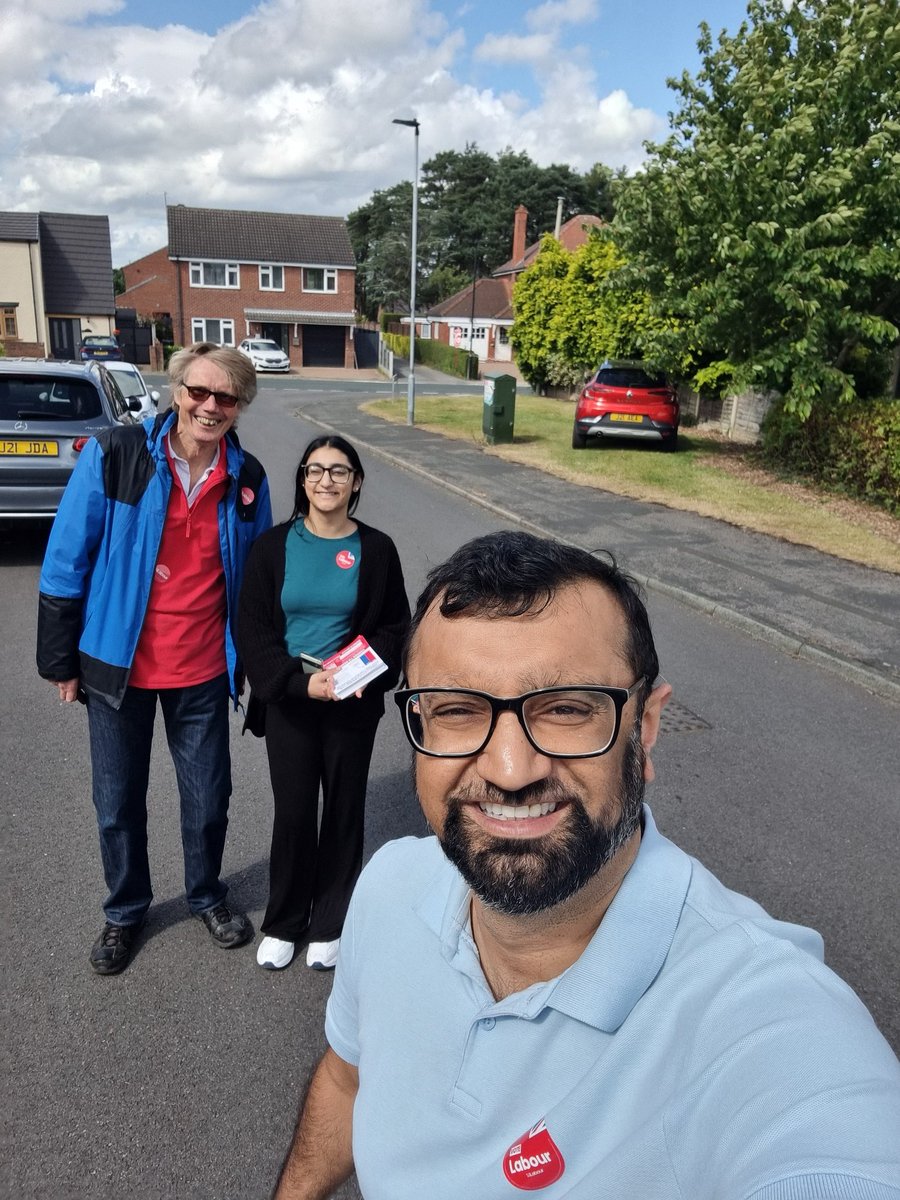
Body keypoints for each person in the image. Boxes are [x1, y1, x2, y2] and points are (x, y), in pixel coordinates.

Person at [273, 531, 900, 1200]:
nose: (510, 771)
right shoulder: (392, 884)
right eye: (457, 710)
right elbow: (348, 1080)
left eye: (568, 709)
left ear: (646, 729)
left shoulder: (763, 1023)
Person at [37, 342, 273, 976]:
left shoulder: (247, 478)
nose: (209, 406)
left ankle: (206, 895)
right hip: (120, 666)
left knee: (209, 800)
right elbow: (67, 557)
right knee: (117, 802)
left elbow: (256, 581)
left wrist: (253, 661)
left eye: (226, 397)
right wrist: (60, 657)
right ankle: (124, 910)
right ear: (177, 392)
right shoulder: (117, 455)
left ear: (240, 406)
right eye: (199, 391)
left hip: (201, 669)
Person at [236, 435, 409, 973]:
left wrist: (361, 671)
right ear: (303, 480)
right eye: (315, 471)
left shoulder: (377, 550)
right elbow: (253, 628)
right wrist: (295, 682)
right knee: (292, 813)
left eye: (338, 471)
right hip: (292, 699)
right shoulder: (272, 547)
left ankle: (330, 921)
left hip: (351, 702)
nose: (326, 480)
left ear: (356, 481)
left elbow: (394, 626)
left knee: (342, 810)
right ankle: (286, 921)